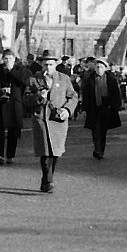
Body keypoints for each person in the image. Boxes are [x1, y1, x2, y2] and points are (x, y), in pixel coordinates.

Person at [29, 50, 78, 193]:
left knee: (55, 151)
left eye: (51, 64)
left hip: (58, 120)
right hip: (42, 119)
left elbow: (73, 96)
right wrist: (38, 96)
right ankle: (47, 179)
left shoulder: (64, 79)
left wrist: (67, 110)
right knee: (45, 151)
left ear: (55, 64)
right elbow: (26, 99)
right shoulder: (34, 79)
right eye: (45, 65)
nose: (48, 68)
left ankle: (48, 178)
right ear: (41, 64)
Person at [0, 48, 29, 165]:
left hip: (14, 103)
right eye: (6, 58)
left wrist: (11, 70)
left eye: (10, 58)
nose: (7, 61)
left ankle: (10, 155)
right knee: (0, 129)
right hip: (0, 103)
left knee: (13, 130)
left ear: (14, 59)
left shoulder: (20, 69)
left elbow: (23, 82)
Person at [82, 57, 123, 160]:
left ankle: (101, 150)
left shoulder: (111, 79)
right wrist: (84, 108)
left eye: (101, 67)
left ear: (105, 68)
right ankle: (97, 149)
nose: (99, 69)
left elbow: (116, 94)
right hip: (94, 108)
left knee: (103, 131)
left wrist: (115, 106)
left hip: (106, 108)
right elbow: (85, 94)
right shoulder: (90, 79)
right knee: (95, 130)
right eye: (97, 67)